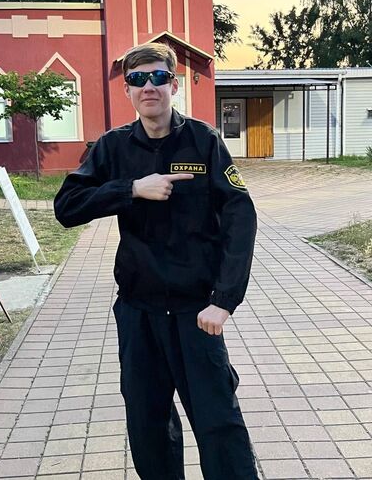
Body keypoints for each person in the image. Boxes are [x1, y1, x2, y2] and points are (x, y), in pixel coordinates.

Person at [54, 42, 259, 480]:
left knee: (218, 422)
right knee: (148, 426)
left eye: (159, 77)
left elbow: (240, 218)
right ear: (127, 90)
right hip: (139, 312)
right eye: (137, 79)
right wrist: (130, 189)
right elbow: (66, 208)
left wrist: (224, 300)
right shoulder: (113, 147)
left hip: (196, 313)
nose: (149, 86)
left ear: (174, 85)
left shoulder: (203, 141)